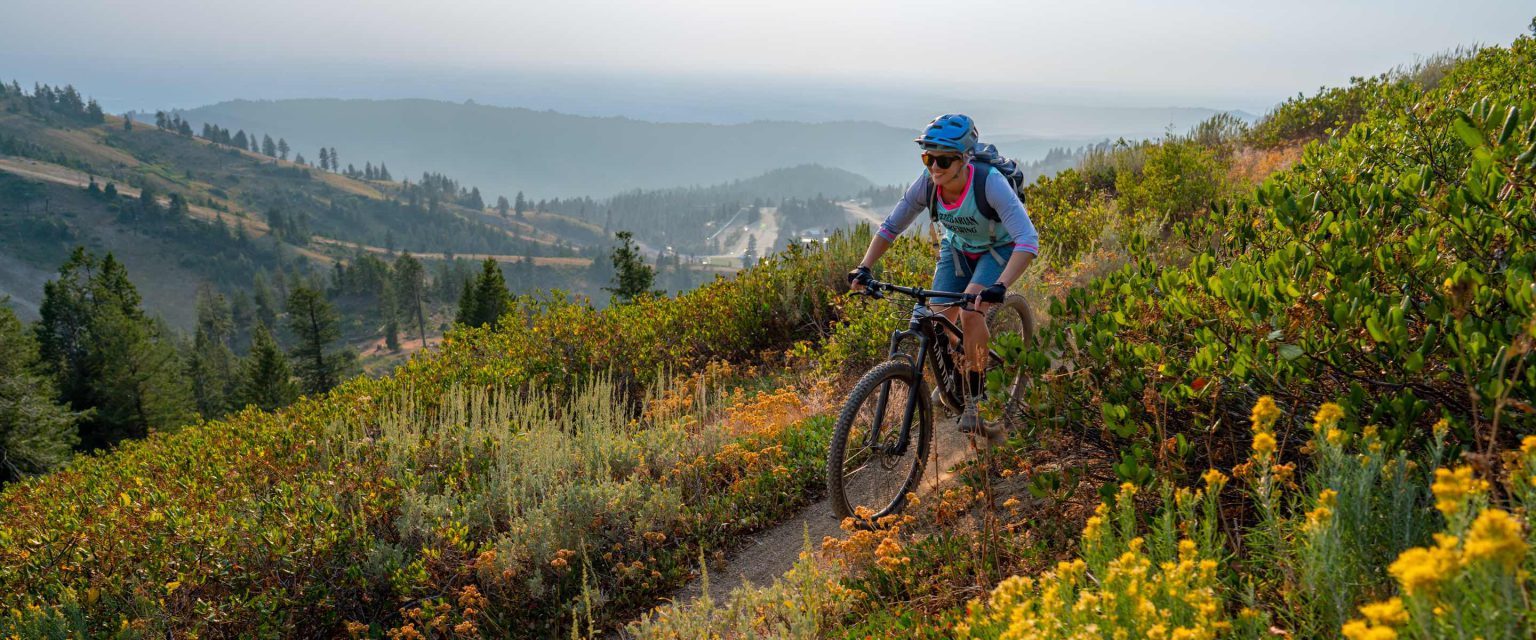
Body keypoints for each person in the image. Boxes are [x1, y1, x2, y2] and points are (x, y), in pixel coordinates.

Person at [848, 113, 1039, 442]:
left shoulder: (988, 182)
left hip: (998, 250)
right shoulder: (927, 184)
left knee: (969, 311)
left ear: (964, 158)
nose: (934, 167)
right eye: (928, 158)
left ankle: (975, 399)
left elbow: (1027, 240)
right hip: (958, 250)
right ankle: (956, 369)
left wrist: (1001, 286)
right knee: (935, 320)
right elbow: (891, 227)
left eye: (944, 160)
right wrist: (864, 267)